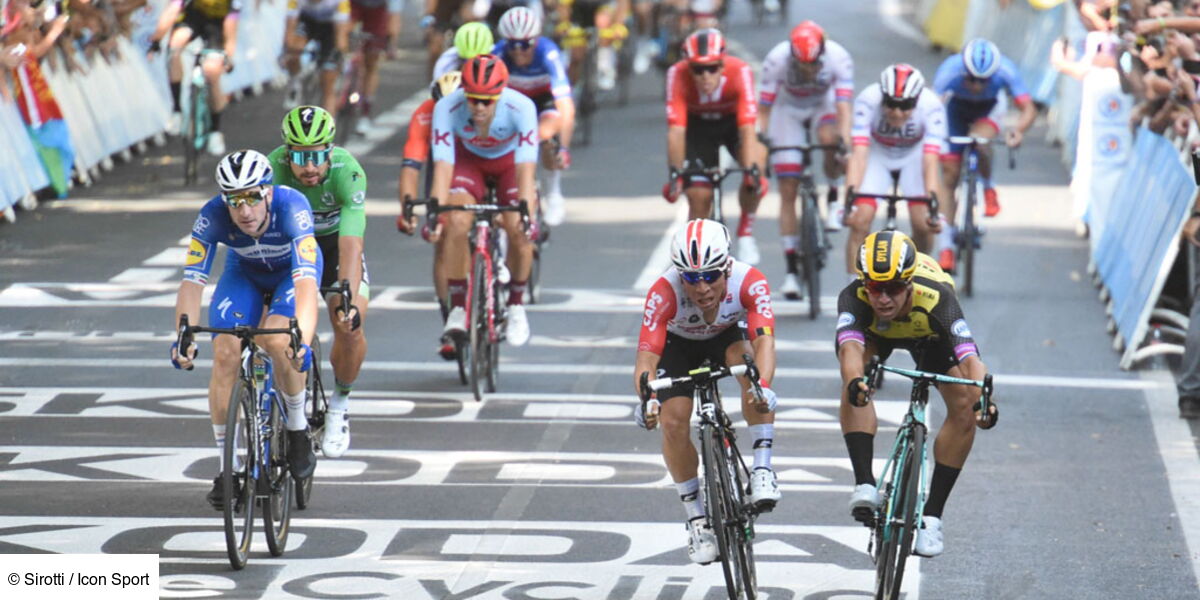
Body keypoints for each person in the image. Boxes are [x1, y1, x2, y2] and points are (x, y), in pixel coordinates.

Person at [170, 150, 320, 507]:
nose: (245, 211)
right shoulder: (211, 217)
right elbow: (192, 282)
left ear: (268, 192)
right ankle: (228, 467)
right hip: (244, 274)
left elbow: (306, 286)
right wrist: (183, 336)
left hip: (289, 277)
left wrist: (305, 339)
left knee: (280, 339)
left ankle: (297, 431)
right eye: (235, 201)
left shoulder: (293, 207)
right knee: (225, 352)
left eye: (253, 197)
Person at [835, 230, 996, 558]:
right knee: (856, 383)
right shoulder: (854, 297)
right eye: (875, 288)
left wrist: (983, 400)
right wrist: (855, 381)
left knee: (964, 404)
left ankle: (932, 517)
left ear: (909, 283)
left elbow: (969, 358)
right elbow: (850, 348)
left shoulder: (937, 297)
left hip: (930, 336)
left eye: (893, 288)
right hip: (877, 335)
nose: (883, 298)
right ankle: (865, 483)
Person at [634, 218, 780, 564]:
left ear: (726, 267)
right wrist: (646, 399)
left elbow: (765, 343)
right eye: (691, 278)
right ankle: (697, 520)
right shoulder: (663, 292)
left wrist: (763, 386)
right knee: (673, 421)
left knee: (748, 368)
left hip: (726, 338)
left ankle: (762, 467)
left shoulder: (750, 281)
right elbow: (646, 358)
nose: (701, 288)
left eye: (711, 276)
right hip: (678, 346)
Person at [266, 106, 368, 458]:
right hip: (290, 247)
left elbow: (352, 243)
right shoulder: (273, 170)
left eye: (317, 156)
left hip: (334, 245)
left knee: (349, 325)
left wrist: (348, 297)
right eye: (299, 156)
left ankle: (339, 404)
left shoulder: (347, 171)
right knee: (265, 325)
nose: (309, 167)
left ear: (330, 151)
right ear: (285, 153)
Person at [422, 54, 538, 347]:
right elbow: (443, 166)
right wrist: (435, 213)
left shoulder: (522, 107)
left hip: (509, 165)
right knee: (457, 220)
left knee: (519, 231)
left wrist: (527, 212)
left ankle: (515, 304)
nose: (479, 107)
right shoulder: (447, 107)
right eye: (473, 99)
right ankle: (459, 306)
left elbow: (526, 167)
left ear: (500, 94)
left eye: (487, 100)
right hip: (468, 163)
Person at [758, 20, 853, 299]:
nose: (809, 70)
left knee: (829, 140)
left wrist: (843, 143)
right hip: (787, 111)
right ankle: (790, 272)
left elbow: (844, 109)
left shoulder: (838, 58)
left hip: (823, 106)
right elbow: (763, 110)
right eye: (802, 65)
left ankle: (834, 196)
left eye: (813, 64)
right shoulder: (776, 60)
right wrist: (762, 143)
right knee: (788, 188)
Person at [663, 28, 767, 264]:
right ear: (688, 67)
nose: (705, 76)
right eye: (698, 69)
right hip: (697, 129)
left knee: (757, 166)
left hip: (733, 125)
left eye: (712, 68)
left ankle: (745, 233)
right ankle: (693, 258)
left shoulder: (740, 70)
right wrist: (675, 176)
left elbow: (747, 127)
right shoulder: (676, 74)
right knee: (699, 195)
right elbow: (676, 130)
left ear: (723, 64)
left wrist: (751, 171)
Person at [932, 38, 1037, 271]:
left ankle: (988, 185)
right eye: (971, 79)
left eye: (983, 80)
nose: (977, 85)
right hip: (954, 112)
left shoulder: (1006, 70)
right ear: (963, 70)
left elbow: (1028, 108)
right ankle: (946, 247)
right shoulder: (950, 70)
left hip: (988, 110)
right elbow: (931, 107)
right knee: (949, 177)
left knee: (981, 142)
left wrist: (1018, 131)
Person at [843, 63, 945, 278]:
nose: (897, 113)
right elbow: (859, 154)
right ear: (882, 98)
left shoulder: (931, 106)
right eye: (890, 104)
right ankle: (853, 291)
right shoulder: (868, 100)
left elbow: (930, 161)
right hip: (877, 156)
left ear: (917, 100)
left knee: (923, 225)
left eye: (905, 106)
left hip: (914, 157)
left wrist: (933, 205)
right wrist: (849, 199)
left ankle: (913, 272)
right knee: (859, 220)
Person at [398, 71, 462, 359]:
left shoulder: (479, 110)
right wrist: (408, 209)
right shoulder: (424, 114)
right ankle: (450, 319)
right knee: (442, 240)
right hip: (442, 170)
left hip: (475, 163)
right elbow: (412, 167)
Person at [495, 6, 575, 226]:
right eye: (513, 44)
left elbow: (565, 106)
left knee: (546, 136)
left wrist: (564, 148)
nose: (519, 51)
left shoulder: (548, 53)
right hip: (513, 103)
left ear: (536, 40)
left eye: (525, 44)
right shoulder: (498, 54)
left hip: (543, 101)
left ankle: (554, 194)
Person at [148, 0, 240, 155]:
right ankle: (177, 110)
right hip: (192, 20)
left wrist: (228, 56)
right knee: (174, 47)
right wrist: (157, 40)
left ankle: (215, 132)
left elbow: (231, 29)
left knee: (212, 72)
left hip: (217, 27)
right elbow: (172, 12)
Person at [282, 0, 351, 113]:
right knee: (294, 50)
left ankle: (329, 125)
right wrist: (288, 52)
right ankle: (295, 82)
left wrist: (340, 55)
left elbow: (341, 35)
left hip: (331, 27)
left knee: (328, 80)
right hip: (307, 22)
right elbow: (290, 26)